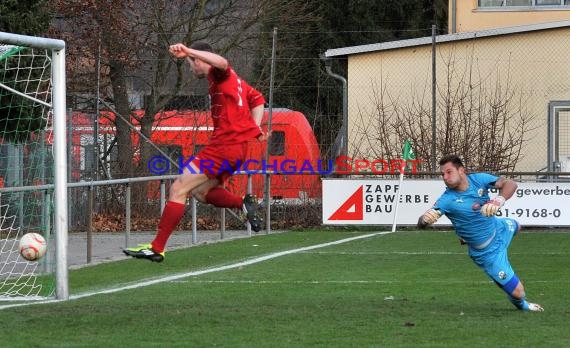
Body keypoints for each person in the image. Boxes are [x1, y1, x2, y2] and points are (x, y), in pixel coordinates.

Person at [123, 41, 268, 262]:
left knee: (179, 188)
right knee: (200, 193)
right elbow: (257, 98)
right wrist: (255, 128)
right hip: (237, 149)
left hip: (224, 147)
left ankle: (157, 247)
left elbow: (222, 61)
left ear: (200, 60)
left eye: (192, 64)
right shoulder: (236, 81)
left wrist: (188, 51)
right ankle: (243, 204)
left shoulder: (221, 74)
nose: (191, 69)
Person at [417, 154, 544, 312]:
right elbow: (421, 223)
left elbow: (510, 184)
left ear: (461, 170)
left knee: (518, 226)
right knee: (519, 293)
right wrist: (425, 219)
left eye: (449, 172)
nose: (445, 177)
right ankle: (523, 306)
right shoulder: (446, 200)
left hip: (499, 228)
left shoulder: (479, 179)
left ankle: (474, 237)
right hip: (487, 252)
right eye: (443, 174)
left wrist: (499, 200)